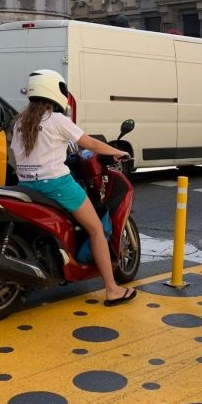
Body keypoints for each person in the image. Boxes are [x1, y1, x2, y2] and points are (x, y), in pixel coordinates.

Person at [12, 69, 137, 306]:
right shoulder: (57, 120)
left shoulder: (20, 121)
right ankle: (112, 289)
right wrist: (119, 151)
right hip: (56, 185)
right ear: (55, 91)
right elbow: (89, 143)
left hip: (26, 185)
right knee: (97, 229)